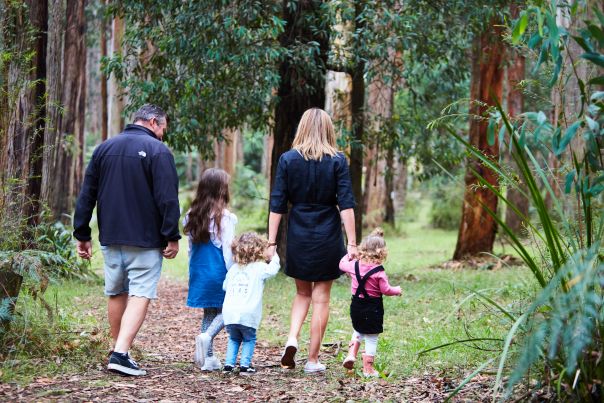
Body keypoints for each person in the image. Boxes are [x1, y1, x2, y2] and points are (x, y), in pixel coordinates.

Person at [73, 104, 181, 376]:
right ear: (154, 122)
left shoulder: (104, 148)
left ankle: (117, 350)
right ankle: (120, 353)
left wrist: (82, 233)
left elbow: (87, 194)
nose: (163, 134)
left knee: (116, 291)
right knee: (140, 292)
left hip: (111, 236)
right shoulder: (159, 151)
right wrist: (171, 235)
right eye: (164, 127)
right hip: (145, 239)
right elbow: (167, 197)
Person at [268, 108, 357, 373]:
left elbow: (277, 204)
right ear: (328, 129)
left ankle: (292, 337)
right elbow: (347, 204)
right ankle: (312, 360)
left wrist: (271, 243)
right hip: (328, 233)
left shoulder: (287, 160)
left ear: (302, 128)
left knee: (302, 292)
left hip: (298, 232)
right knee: (321, 298)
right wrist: (352, 242)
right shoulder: (338, 161)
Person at [183, 168, 237, 371]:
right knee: (228, 311)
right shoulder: (225, 217)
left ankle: (208, 359)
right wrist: (233, 273)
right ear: (221, 190)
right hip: (218, 272)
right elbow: (228, 250)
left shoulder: (191, 215)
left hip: (199, 270)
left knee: (209, 312)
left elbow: (190, 249)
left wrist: (193, 272)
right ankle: (207, 337)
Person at [339, 228, 401, 377]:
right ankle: (368, 369)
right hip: (373, 308)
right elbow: (386, 290)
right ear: (382, 253)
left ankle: (351, 355)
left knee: (358, 330)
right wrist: (397, 290)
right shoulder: (379, 272)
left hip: (356, 306)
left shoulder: (354, 266)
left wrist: (350, 255)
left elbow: (341, 264)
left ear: (363, 249)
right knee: (372, 338)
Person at [221, 232, 281, 375]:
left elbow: (225, 286)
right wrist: (274, 256)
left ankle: (228, 365)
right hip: (248, 312)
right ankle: (245, 366)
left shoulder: (234, 269)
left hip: (230, 313)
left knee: (234, 338)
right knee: (249, 338)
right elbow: (273, 270)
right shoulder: (259, 268)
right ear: (259, 250)